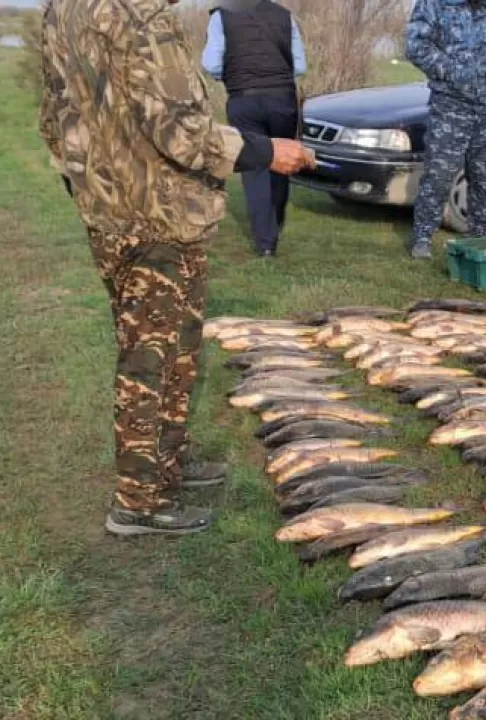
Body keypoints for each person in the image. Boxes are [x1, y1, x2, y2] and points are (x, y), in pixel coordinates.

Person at [39, 0, 315, 535]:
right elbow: (183, 134)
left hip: (111, 211)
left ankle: (167, 465)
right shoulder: (141, 17)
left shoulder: (63, 9)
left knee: (176, 350)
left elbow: (54, 119)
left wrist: (89, 185)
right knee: (150, 360)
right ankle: (138, 503)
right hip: (158, 217)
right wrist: (264, 151)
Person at [405, 0, 486, 260]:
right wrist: (455, 72)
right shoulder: (434, 5)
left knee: (485, 176)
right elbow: (415, 46)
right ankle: (423, 238)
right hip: (451, 107)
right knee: (439, 175)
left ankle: (480, 238)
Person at [201, 0, 306, 258]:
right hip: (282, 98)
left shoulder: (221, 16)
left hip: (244, 98)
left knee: (254, 166)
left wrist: (231, 74)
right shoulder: (284, 15)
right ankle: (276, 221)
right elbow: (300, 66)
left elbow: (211, 64)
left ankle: (265, 242)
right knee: (282, 159)